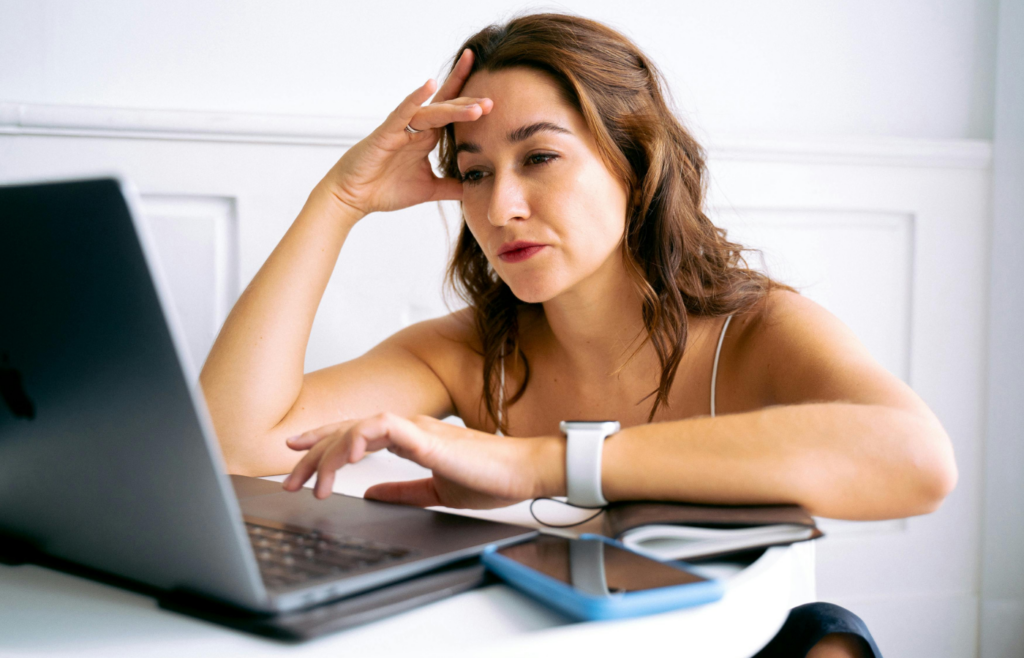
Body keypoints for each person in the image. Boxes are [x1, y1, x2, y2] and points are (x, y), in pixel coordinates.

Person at [199, 13, 956, 657]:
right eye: (473, 172)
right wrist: (339, 200)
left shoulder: (755, 332)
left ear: (635, 158)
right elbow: (234, 441)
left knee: (828, 636)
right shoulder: (469, 351)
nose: (500, 208)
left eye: (539, 157)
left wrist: (536, 464)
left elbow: (918, 461)